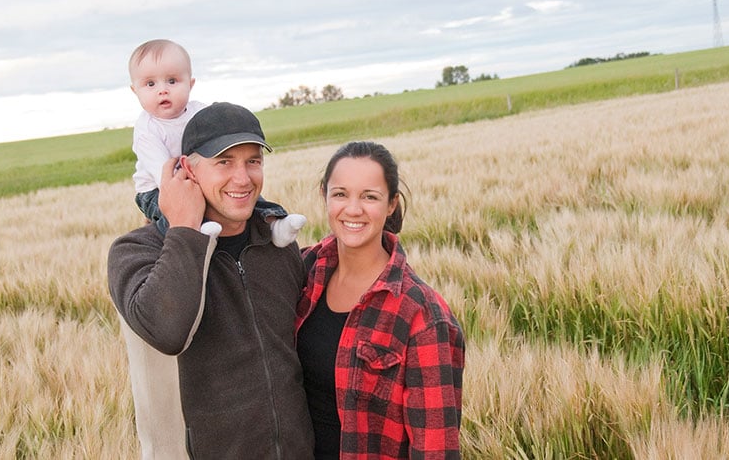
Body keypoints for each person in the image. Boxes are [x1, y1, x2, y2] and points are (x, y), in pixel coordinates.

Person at [108, 102, 313, 459]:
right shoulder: (136, 252)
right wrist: (185, 228)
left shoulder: (276, 245)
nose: (243, 178)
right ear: (186, 168)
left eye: (253, 160)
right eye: (224, 162)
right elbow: (167, 331)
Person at [295, 141, 465, 459]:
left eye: (369, 196)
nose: (353, 209)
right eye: (341, 194)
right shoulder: (303, 273)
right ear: (324, 196)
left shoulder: (421, 315)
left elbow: (435, 449)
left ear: (391, 204)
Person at [128, 38, 304, 245]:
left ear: (190, 84)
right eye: (150, 84)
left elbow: (220, 129)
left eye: (172, 81)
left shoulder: (199, 111)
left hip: (199, 175)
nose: (162, 90)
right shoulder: (147, 130)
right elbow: (164, 177)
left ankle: (275, 223)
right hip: (158, 189)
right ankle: (198, 236)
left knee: (245, 191)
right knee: (172, 214)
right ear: (135, 90)